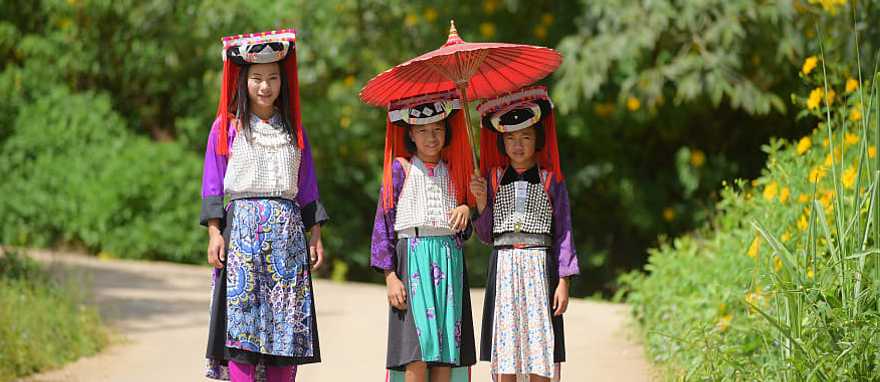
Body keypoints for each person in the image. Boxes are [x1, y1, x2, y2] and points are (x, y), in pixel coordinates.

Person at [200, 29, 329, 382]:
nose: (265, 86)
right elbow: (212, 182)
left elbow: (307, 187)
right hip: (242, 237)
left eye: (273, 78)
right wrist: (215, 233)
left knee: (285, 328)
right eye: (257, 78)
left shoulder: (294, 131)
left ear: (282, 82)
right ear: (243, 81)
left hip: (287, 242)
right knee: (243, 328)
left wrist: (314, 234)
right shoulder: (225, 127)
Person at [470, 86, 580, 382]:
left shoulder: (551, 180)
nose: (517, 145)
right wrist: (481, 203)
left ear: (537, 140)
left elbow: (564, 232)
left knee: (539, 346)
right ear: (502, 141)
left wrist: (564, 281)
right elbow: (485, 235)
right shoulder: (491, 178)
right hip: (504, 269)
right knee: (505, 347)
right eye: (510, 138)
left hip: (539, 270)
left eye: (525, 137)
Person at [370, 89, 477, 382]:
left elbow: (465, 230)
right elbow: (383, 226)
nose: (432, 137)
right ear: (411, 135)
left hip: (448, 260)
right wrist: (390, 277)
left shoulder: (456, 172)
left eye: (438, 129)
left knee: (444, 350)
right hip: (413, 258)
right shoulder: (400, 170)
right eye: (423, 131)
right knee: (415, 351)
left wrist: (470, 205)